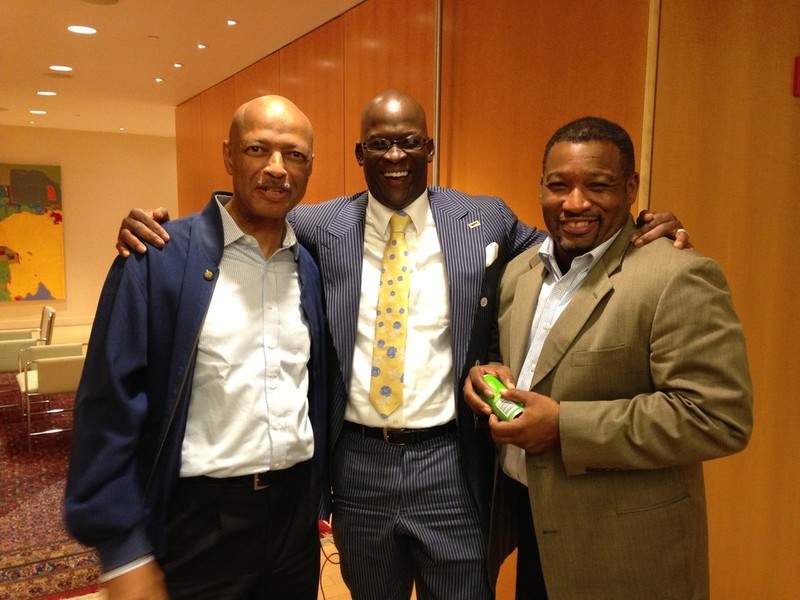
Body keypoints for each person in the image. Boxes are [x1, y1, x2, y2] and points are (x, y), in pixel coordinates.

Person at [115, 91, 688, 599]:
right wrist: (158, 232)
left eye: (410, 142)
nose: (395, 156)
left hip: (451, 463)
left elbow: (568, 243)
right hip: (358, 466)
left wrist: (642, 229)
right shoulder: (318, 227)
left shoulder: (484, 220)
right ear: (359, 153)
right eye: (380, 144)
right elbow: (249, 216)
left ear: (429, 148)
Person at [463, 116, 753, 599]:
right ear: (541, 187)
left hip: (626, 551)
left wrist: (564, 427)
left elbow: (718, 417)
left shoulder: (676, 276)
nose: (575, 203)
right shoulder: (520, 272)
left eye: (597, 186)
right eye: (559, 185)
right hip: (533, 528)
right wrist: (487, 373)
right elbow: (511, 357)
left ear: (631, 188)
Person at [64, 96, 328, 600]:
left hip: (293, 523)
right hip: (199, 524)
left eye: (294, 155)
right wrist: (123, 551)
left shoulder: (309, 267)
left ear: (310, 167)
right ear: (229, 155)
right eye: (258, 149)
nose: (277, 168)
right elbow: (106, 408)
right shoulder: (157, 258)